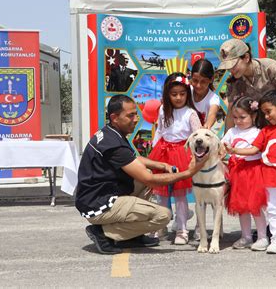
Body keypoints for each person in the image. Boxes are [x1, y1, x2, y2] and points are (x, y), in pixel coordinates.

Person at [76, 95, 208, 255]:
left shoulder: (111, 133)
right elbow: (149, 180)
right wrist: (188, 173)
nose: (136, 119)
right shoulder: (113, 144)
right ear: (114, 117)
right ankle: (103, 233)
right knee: (163, 216)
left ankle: (133, 236)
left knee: (147, 173)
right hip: (98, 205)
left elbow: (133, 159)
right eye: (130, 115)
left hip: (98, 195)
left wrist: (161, 165)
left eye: (136, 114)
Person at [225, 89, 276, 254]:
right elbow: (254, 150)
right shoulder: (265, 132)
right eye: (264, 113)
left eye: (268, 112)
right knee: (272, 210)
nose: (266, 116)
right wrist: (234, 150)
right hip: (268, 179)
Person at [149, 72, 202, 245]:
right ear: (167, 94)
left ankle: (182, 229)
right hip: (162, 152)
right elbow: (160, 130)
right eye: (174, 94)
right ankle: (161, 226)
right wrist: (154, 151)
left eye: (182, 93)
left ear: (188, 93)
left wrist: (196, 157)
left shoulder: (190, 113)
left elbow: (198, 135)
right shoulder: (163, 110)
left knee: (180, 195)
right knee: (161, 195)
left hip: (182, 153)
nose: (178, 97)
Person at [217, 38, 276, 130]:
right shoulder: (234, 82)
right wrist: (226, 140)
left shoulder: (270, 67)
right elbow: (230, 114)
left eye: (233, 65)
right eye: (227, 67)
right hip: (266, 116)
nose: (231, 70)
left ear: (246, 57)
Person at [222, 96, 268, 251]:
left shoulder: (257, 133)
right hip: (237, 172)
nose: (238, 121)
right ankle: (246, 236)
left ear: (253, 116)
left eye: (243, 117)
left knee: (255, 206)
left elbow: (254, 150)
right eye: (235, 117)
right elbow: (222, 146)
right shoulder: (231, 131)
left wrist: (234, 150)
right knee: (242, 207)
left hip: (253, 172)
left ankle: (262, 237)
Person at [190, 58, 221, 129]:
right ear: (191, 77)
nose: (198, 85)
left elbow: (212, 114)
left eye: (203, 81)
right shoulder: (186, 92)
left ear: (211, 79)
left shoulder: (213, 99)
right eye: (195, 80)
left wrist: (206, 126)